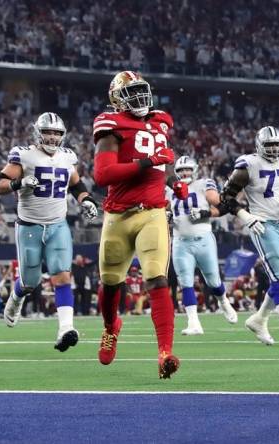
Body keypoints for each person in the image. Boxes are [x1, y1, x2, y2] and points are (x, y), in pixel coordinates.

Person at [92, 71, 185, 378]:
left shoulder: (160, 121)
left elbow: (162, 159)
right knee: (110, 284)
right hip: (118, 215)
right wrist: (148, 161)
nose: (140, 98)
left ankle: (165, 352)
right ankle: (111, 327)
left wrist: (173, 181)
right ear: (117, 98)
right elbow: (103, 175)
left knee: (157, 279)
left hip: (154, 211)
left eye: (142, 91)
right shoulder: (110, 126)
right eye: (132, 92)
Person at [0, 112, 98, 351]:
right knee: (30, 281)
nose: (52, 137)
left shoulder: (67, 156)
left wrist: (86, 200)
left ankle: (65, 329)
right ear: (38, 133)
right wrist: (19, 183)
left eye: (57, 133)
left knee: (62, 274)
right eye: (48, 132)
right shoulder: (23, 155)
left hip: (57, 225)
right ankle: (17, 296)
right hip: (29, 226)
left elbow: (76, 184)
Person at [217, 126, 279, 346]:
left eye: (277, 144)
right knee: (278, 273)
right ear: (259, 146)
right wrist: (244, 215)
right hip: (262, 224)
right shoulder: (248, 165)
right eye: (269, 145)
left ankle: (259, 319)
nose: (274, 148)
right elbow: (225, 196)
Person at [167, 155, 237, 335]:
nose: (185, 173)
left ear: (195, 170)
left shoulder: (204, 184)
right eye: (181, 170)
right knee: (185, 282)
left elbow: (223, 206)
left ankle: (223, 302)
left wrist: (205, 212)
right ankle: (194, 323)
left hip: (203, 239)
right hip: (181, 242)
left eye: (188, 169)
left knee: (213, 280)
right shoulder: (168, 190)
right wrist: (165, 217)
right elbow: (163, 212)